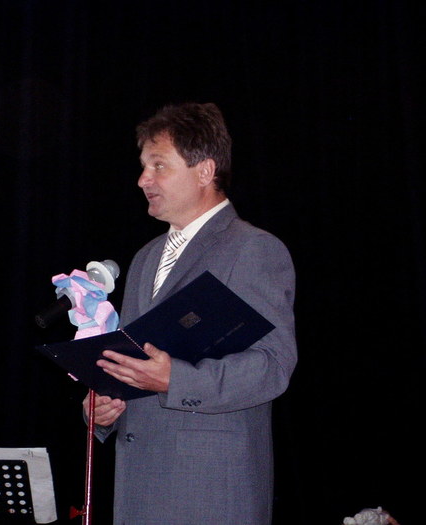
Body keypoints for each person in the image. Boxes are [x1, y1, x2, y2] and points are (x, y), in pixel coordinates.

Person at [83, 102, 297, 525]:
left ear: (204, 171)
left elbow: (273, 366)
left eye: (159, 165)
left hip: (209, 492)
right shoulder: (145, 258)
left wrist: (174, 380)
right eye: (143, 167)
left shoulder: (253, 249)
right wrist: (105, 405)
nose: (143, 179)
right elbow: (134, 358)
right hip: (138, 490)